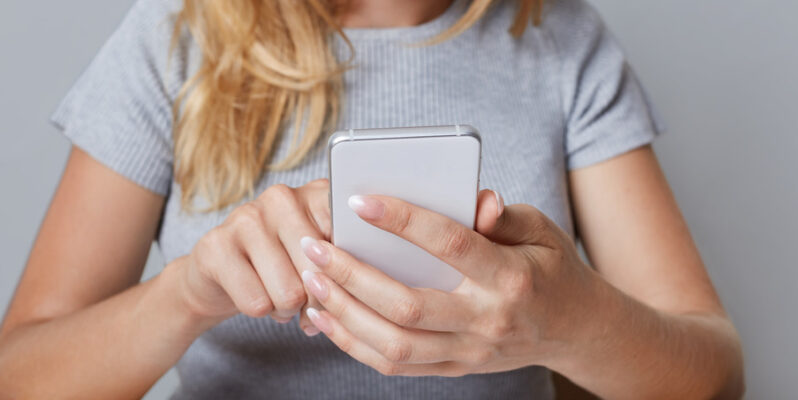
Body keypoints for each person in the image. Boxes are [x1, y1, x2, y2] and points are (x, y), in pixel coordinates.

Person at [0, 0, 744, 398]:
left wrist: (570, 321)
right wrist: (188, 292)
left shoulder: (564, 43)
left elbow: (713, 376)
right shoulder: (174, 38)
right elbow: (18, 377)